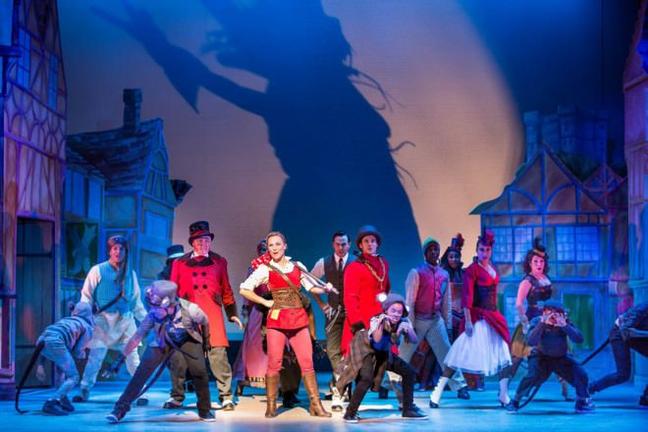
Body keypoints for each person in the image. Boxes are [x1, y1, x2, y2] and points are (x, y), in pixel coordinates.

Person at [239, 231, 336, 418]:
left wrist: (325, 288)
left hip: (298, 319)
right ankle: (271, 405)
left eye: (278, 244)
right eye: (271, 245)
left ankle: (316, 405)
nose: (274, 248)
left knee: (307, 363)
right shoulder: (265, 269)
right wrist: (265, 302)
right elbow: (244, 289)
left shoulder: (297, 266)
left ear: (285, 246)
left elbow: (311, 287)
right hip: (277, 321)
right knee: (274, 363)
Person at [106, 280, 216, 423]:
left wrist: (206, 342)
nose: (153, 310)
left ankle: (204, 410)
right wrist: (119, 360)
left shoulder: (191, 310)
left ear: (167, 304)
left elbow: (205, 322)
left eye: (156, 307)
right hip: (161, 339)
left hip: (187, 338)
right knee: (141, 373)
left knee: (200, 372)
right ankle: (119, 410)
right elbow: (137, 337)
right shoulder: (153, 315)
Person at [166, 221, 242, 410]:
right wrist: (169, 313)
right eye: (199, 241)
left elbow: (226, 289)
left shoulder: (219, 261)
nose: (203, 244)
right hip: (187, 316)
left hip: (212, 315)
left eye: (207, 240)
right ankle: (177, 396)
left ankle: (226, 396)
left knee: (218, 356)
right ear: (192, 243)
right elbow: (172, 289)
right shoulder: (179, 263)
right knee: (179, 358)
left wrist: (232, 313)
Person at [432, 230, 512, 408]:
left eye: (487, 250)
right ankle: (436, 393)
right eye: (481, 250)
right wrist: (468, 321)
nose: (484, 253)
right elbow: (467, 297)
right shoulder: (472, 270)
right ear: (477, 251)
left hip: (493, 317)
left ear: (491, 251)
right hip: (477, 317)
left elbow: (493, 295)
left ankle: (504, 394)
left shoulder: (493, 269)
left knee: (504, 356)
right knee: (457, 356)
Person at [74, 235, 147, 403]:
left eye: (121, 249)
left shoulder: (130, 274)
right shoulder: (97, 270)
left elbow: (136, 301)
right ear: (110, 251)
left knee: (133, 358)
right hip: (103, 321)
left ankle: (140, 392)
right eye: (115, 248)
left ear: (126, 252)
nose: (118, 252)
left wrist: (147, 321)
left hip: (125, 321)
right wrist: (83, 318)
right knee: (95, 357)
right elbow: (86, 296)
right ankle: (85, 389)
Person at [399, 237, 470, 406]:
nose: (433, 252)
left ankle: (460, 385)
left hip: (435, 320)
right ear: (425, 254)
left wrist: (448, 324)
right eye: (430, 250)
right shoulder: (416, 272)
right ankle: (388, 384)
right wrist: (409, 324)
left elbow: (446, 302)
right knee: (404, 354)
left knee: (447, 352)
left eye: (436, 249)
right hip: (417, 319)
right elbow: (410, 301)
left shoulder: (443, 274)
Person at [336, 293, 427, 422]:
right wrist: (396, 331)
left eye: (399, 312)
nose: (396, 314)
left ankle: (408, 409)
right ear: (386, 310)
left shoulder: (403, 321)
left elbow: (414, 340)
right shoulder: (378, 320)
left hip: (383, 351)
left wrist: (408, 328)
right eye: (393, 311)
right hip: (365, 349)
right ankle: (350, 413)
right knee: (366, 379)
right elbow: (377, 342)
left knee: (409, 372)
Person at [506, 301, 594, 413]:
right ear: (544, 312)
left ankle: (582, 401)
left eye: (556, 313)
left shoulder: (565, 322)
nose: (553, 317)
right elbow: (531, 341)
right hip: (540, 357)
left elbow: (579, 339)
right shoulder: (537, 321)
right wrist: (542, 324)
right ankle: (515, 401)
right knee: (532, 376)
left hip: (560, 358)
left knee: (580, 374)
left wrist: (565, 326)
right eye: (550, 313)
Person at [310, 230, 354, 411]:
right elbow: (309, 283)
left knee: (350, 352)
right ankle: (341, 385)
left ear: (349, 245)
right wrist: (322, 305)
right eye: (338, 244)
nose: (341, 247)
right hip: (334, 313)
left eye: (344, 244)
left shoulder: (356, 263)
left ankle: (339, 389)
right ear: (333, 245)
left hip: (352, 314)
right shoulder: (324, 262)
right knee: (333, 350)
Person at [27, 303, 95, 415]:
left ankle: (62, 399)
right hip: (57, 343)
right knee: (74, 376)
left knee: (61, 372)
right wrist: (82, 356)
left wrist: (40, 365)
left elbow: (45, 341)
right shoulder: (87, 327)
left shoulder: (66, 320)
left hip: (42, 339)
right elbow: (78, 351)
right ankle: (52, 402)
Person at [440, 233, 484, 391]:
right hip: (447, 315)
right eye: (451, 257)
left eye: (456, 257)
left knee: (465, 349)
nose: (454, 260)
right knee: (445, 350)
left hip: (462, 315)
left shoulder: (465, 274)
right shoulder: (442, 274)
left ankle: (471, 382)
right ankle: (446, 382)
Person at [341, 225, 390, 357]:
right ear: (360, 245)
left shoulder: (384, 264)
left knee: (384, 358)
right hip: (362, 317)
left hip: (379, 317)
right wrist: (357, 323)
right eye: (366, 241)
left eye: (373, 241)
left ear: (377, 244)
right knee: (360, 359)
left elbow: (386, 288)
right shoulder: (354, 267)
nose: (370, 244)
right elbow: (349, 298)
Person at [589, 302, 648, 406]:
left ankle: (646, 397)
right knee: (623, 375)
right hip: (620, 334)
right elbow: (625, 331)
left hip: (636, 336)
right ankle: (588, 389)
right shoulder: (643, 308)